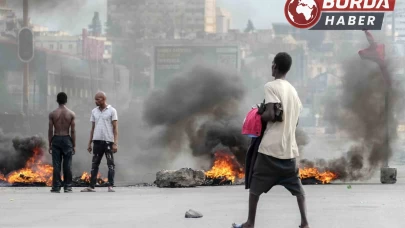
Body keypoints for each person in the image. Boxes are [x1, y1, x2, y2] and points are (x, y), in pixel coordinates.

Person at [233, 52, 309, 228]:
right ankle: (305, 222)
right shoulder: (293, 91)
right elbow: (294, 119)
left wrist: (259, 112)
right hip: (289, 150)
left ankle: (250, 223)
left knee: (255, 186)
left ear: (275, 66)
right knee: (297, 188)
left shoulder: (271, 86)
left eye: (272, 65)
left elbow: (271, 115)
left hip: (270, 149)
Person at [81, 91, 118, 192]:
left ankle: (110, 185)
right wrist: (89, 143)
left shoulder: (112, 111)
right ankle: (91, 186)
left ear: (103, 99)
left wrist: (115, 143)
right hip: (97, 141)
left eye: (98, 99)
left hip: (108, 141)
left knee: (110, 164)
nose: (95, 101)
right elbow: (92, 128)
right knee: (94, 164)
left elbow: (115, 128)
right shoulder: (94, 111)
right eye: (95, 99)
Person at [48, 92, 76, 193]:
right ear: (66, 100)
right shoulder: (71, 114)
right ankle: (68, 186)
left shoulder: (52, 114)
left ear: (57, 100)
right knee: (68, 164)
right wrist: (74, 145)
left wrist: (50, 143)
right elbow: (72, 131)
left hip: (56, 138)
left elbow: (50, 130)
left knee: (56, 164)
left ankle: (56, 187)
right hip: (66, 139)